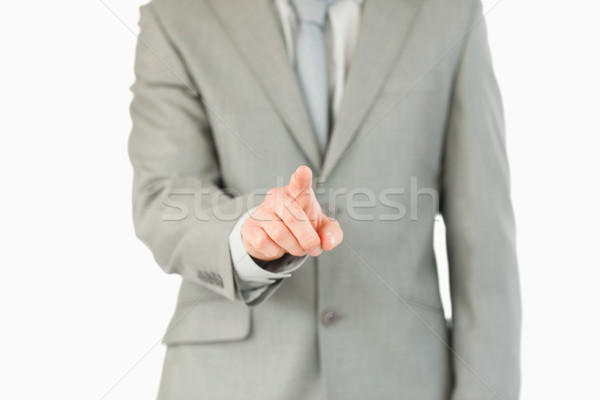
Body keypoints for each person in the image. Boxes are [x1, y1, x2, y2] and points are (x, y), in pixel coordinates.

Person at [128, 0, 521, 399]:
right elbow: (165, 195)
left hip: (401, 377)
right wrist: (244, 237)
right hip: (226, 381)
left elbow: (484, 234)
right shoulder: (178, 13)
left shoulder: (447, 12)